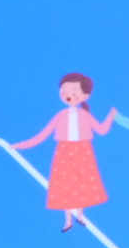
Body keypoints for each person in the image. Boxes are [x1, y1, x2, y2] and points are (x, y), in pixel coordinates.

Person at [10, 71, 115, 227]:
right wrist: (20, 146)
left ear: (85, 96)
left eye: (73, 91)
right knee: (65, 185)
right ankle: (68, 220)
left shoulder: (85, 115)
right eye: (64, 91)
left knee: (82, 182)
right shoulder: (61, 116)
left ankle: (80, 215)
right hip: (64, 152)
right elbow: (42, 135)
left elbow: (101, 130)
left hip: (83, 151)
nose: (68, 95)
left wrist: (111, 116)